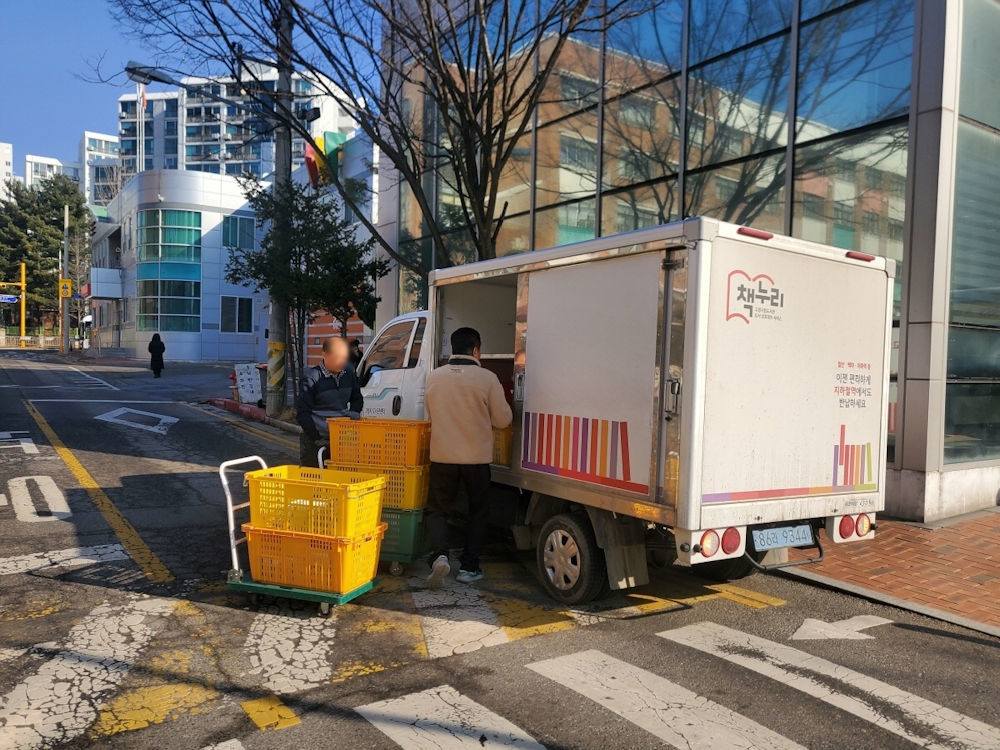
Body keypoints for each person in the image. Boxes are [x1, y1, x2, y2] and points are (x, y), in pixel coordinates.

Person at [424, 327, 512, 587]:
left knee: (438, 510)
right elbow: (503, 420)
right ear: (475, 351)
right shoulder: (487, 378)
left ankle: (440, 556)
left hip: (442, 456)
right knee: (477, 512)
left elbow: (429, 413)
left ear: (453, 349)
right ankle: (469, 568)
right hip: (476, 460)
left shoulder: (435, 377)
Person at [296, 336, 363, 468]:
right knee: (313, 476)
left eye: (345, 357)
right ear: (325, 355)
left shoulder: (348, 375)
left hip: (341, 439)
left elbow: (357, 398)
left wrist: (354, 414)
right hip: (315, 441)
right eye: (338, 357)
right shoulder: (312, 378)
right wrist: (316, 438)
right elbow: (303, 413)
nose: (342, 362)